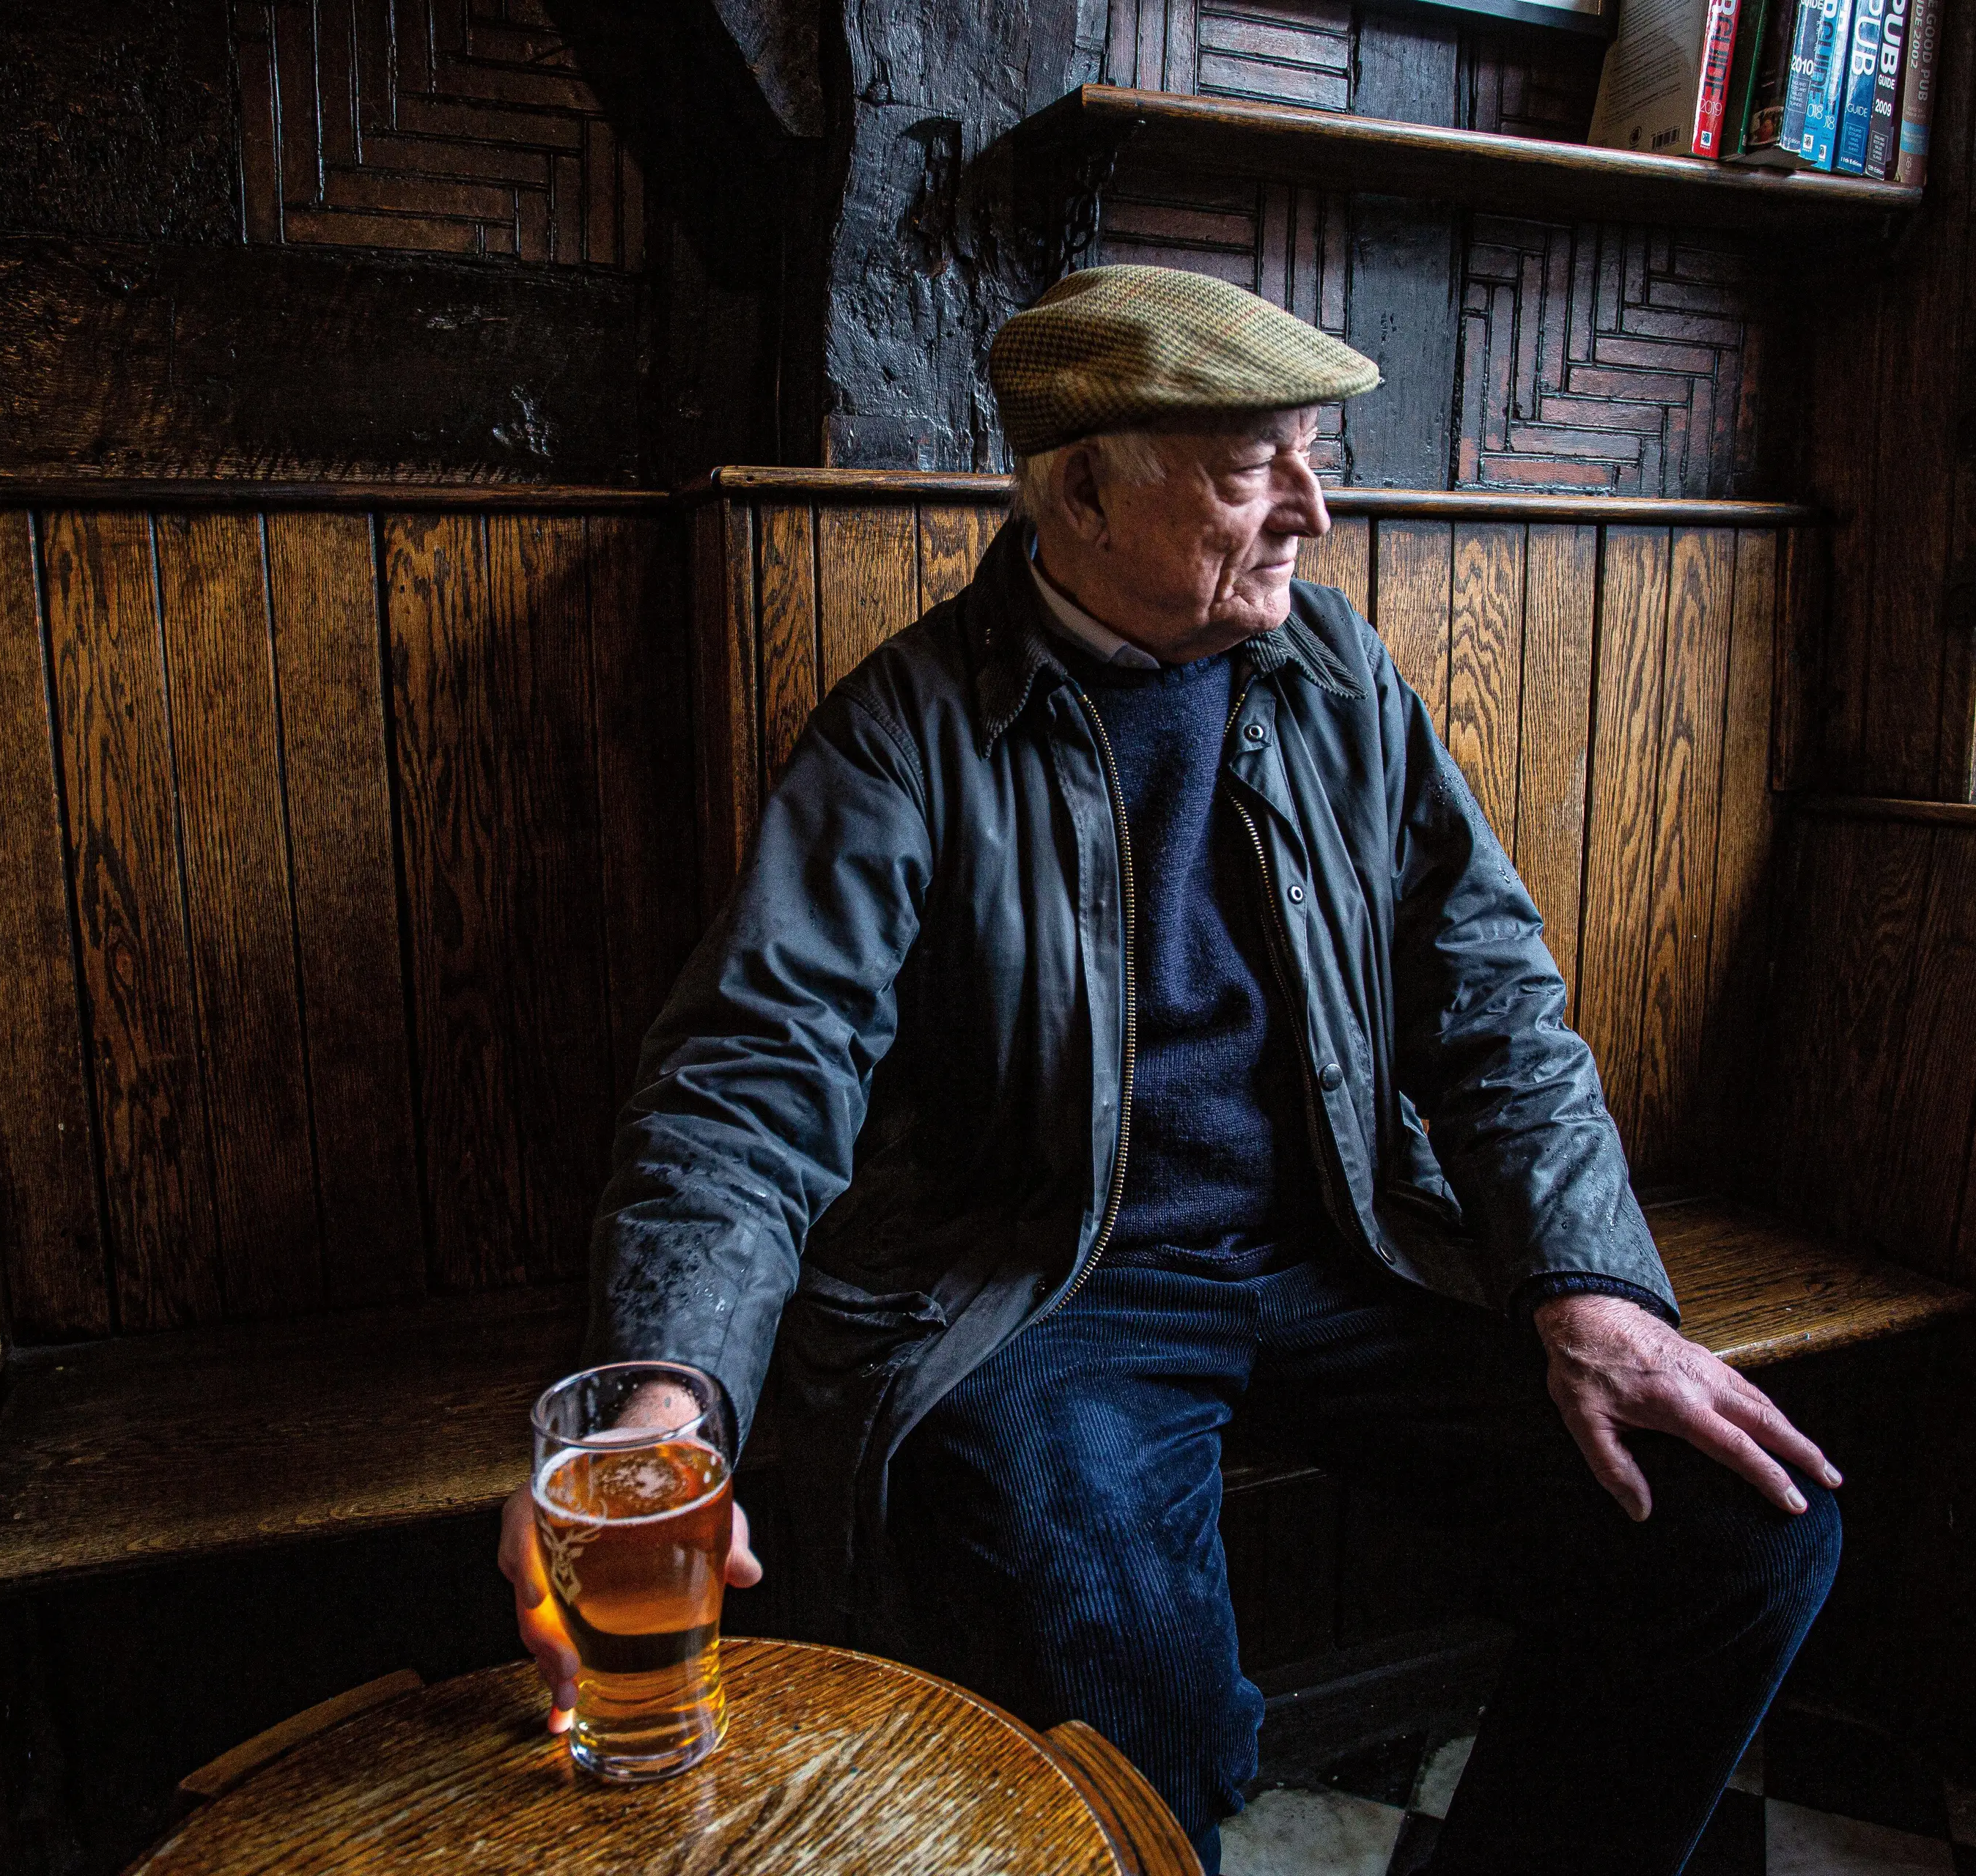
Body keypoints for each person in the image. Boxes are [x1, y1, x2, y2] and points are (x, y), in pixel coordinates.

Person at [501, 265, 1841, 1875]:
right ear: (1083, 487)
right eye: (1253, 464)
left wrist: (1590, 1284)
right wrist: (667, 1393)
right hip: (1046, 1289)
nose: (1312, 511)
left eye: (1312, 454)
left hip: (1342, 1240)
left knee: (1738, 1527)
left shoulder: (1340, 679)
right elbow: (751, 1073)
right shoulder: (908, 731)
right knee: (1144, 1699)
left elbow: (1490, 997)